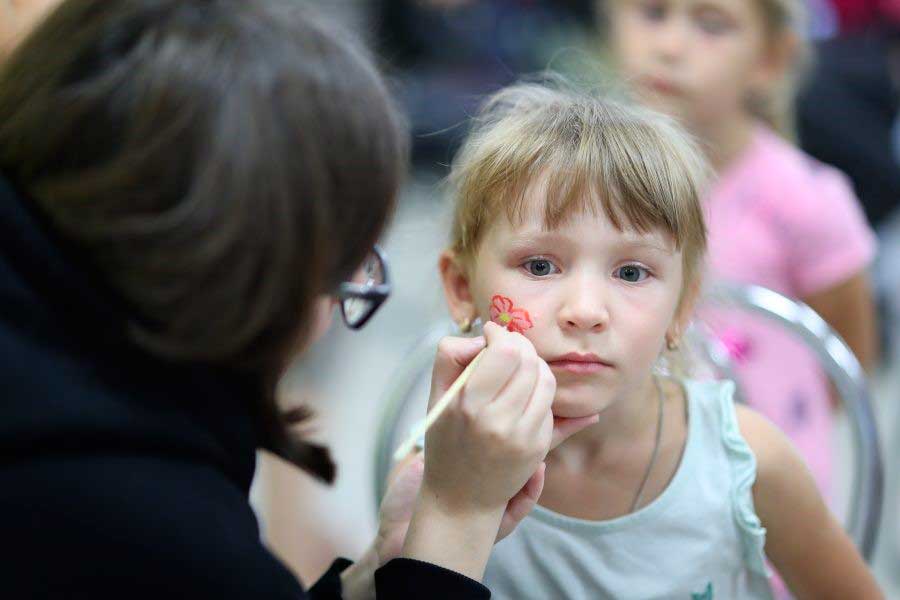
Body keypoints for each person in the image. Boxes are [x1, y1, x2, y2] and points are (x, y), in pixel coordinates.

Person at [0, 1, 596, 597]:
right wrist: (457, 521)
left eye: (631, 272)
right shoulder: (148, 525)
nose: (585, 310)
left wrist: (387, 561)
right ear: (250, 284)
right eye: (342, 273)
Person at [426, 80, 881, 598]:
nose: (585, 311)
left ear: (683, 307)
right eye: (540, 265)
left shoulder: (749, 465)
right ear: (462, 287)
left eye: (632, 273)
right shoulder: (447, 463)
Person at [604, 0, 879, 500]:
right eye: (652, 14)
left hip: (764, 497)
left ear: (769, 59)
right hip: (629, 485)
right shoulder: (587, 188)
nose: (669, 47)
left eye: (712, 24)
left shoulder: (807, 200)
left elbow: (845, 360)